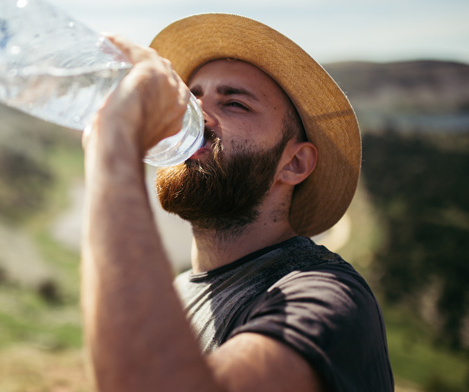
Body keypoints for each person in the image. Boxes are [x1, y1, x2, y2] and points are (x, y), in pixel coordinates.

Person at [80, 13, 394, 392]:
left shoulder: (327, 298)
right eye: (191, 97)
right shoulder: (177, 294)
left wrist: (113, 147)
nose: (195, 116)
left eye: (234, 104)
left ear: (293, 163)